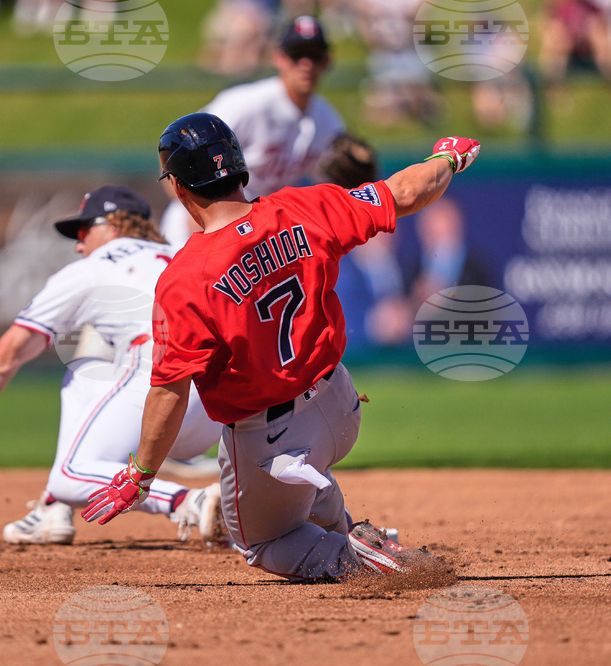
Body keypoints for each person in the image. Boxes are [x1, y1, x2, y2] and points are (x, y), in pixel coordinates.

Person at [83, 114, 481, 580]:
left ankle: (354, 556)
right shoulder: (303, 208)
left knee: (262, 543)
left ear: (179, 187)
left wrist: (141, 475)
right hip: (340, 406)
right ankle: (352, 530)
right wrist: (448, 158)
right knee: (298, 487)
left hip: (271, 437)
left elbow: (170, 391)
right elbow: (406, 191)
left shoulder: (186, 277)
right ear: (238, 167)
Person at [0, 185, 226, 546]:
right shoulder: (184, 253)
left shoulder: (90, 269)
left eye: (84, 230)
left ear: (115, 225)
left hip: (160, 386)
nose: (78, 243)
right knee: (87, 358)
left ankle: (186, 501)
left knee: (68, 473)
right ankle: (52, 508)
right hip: (216, 404)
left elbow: (7, 354)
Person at [161, 15, 344, 249]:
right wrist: (196, 212)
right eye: (297, 54)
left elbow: (336, 188)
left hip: (258, 232)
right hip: (195, 227)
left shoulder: (328, 122)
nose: (306, 64)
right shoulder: (246, 104)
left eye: (315, 55)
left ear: (327, 61)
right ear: (279, 58)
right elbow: (176, 149)